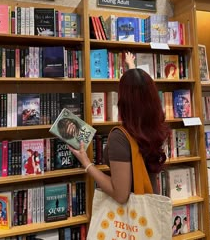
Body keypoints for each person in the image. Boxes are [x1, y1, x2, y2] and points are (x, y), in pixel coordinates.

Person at [68, 52, 171, 204]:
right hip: (149, 206)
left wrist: (86, 163)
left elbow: (121, 195)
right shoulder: (155, 128)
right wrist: (132, 68)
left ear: (124, 101)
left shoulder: (120, 136)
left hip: (132, 220)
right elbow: (141, 93)